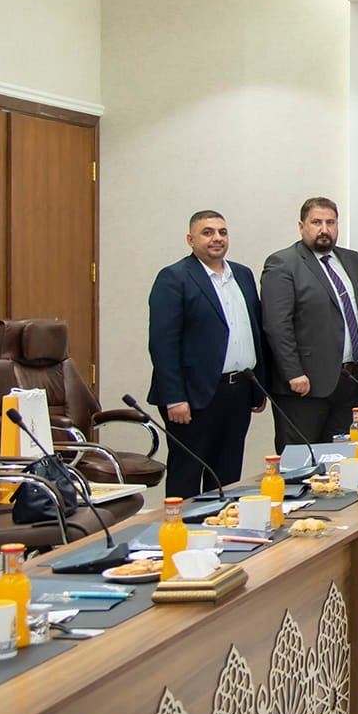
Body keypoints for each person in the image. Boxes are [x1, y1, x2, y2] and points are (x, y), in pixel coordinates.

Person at [146, 210, 266, 498]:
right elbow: (163, 344)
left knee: (228, 476)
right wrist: (175, 397)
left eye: (222, 232)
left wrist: (258, 387)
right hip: (193, 396)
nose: (217, 238)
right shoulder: (174, 278)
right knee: (187, 474)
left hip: (238, 391)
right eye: (208, 232)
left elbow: (255, 331)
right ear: (191, 240)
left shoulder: (243, 275)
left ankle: (221, 525)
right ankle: (183, 527)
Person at [260, 197, 358, 449]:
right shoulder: (283, 263)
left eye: (330, 222)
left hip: (351, 381)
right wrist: (293, 373)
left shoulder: (352, 260)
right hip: (304, 386)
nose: (324, 229)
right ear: (301, 226)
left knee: (342, 458)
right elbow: (277, 325)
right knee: (301, 460)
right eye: (316, 222)